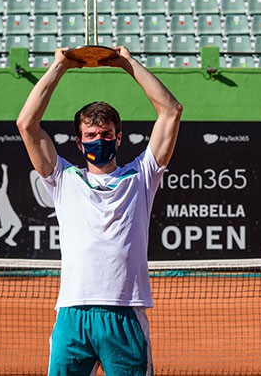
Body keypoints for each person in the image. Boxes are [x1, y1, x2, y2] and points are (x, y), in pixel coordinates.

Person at [17, 47, 182, 375]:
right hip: (72, 314)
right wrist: (59, 66)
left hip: (124, 313)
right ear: (79, 143)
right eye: (90, 135)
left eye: (106, 134)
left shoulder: (142, 175)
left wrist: (126, 62)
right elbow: (26, 124)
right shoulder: (63, 178)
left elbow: (171, 112)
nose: (98, 140)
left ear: (118, 138)